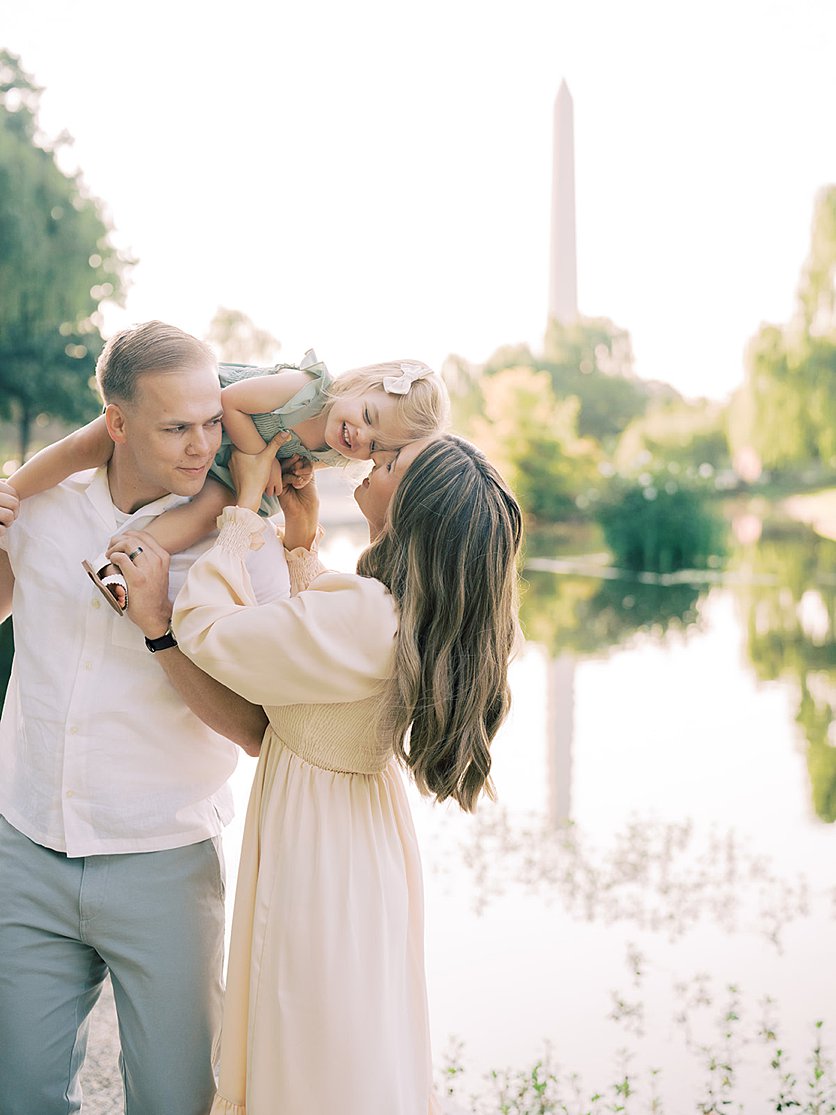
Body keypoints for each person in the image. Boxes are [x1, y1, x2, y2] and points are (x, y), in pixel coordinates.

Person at [168, 431, 524, 1115]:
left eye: (390, 465)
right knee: (345, 1038)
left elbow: (207, 629)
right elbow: (318, 656)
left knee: (309, 1033)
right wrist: (301, 540)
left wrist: (244, 508)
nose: (371, 462)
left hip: (319, 856)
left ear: (410, 514)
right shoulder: (401, 611)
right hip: (361, 840)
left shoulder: (368, 614)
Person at [0, 320, 278, 1115]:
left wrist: (160, 628)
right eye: (175, 426)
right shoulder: (42, 507)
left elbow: (262, 731)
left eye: (209, 423)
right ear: (114, 423)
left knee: (176, 1103)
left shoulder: (237, 546)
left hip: (164, 864)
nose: (200, 445)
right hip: (24, 847)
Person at [7, 349, 449, 610]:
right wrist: (261, 457)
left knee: (209, 512)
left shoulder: (337, 445)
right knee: (90, 443)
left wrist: (298, 469)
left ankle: (122, 561)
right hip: (207, 420)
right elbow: (232, 402)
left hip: (232, 473)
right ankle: (12, 491)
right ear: (358, 385)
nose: (360, 437)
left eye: (375, 447)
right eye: (367, 417)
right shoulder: (303, 389)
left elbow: (294, 461)